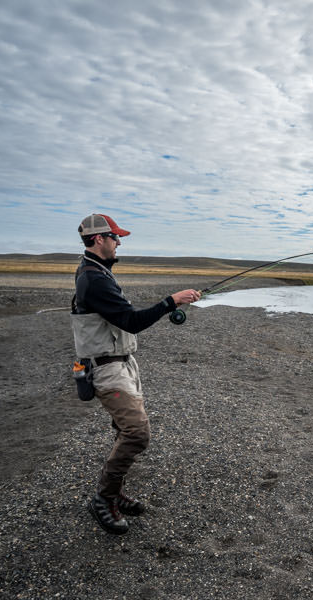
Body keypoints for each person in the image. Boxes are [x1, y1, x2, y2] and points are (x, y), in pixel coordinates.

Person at [71, 213, 201, 535]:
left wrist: (170, 302)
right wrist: (171, 301)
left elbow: (122, 318)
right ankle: (103, 498)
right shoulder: (94, 279)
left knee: (123, 431)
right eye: (115, 237)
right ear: (98, 239)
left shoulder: (98, 271)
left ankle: (113, 494)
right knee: (136, 432)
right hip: (107, 369)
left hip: (120, 364)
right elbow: (131, 321)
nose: (119, 242)